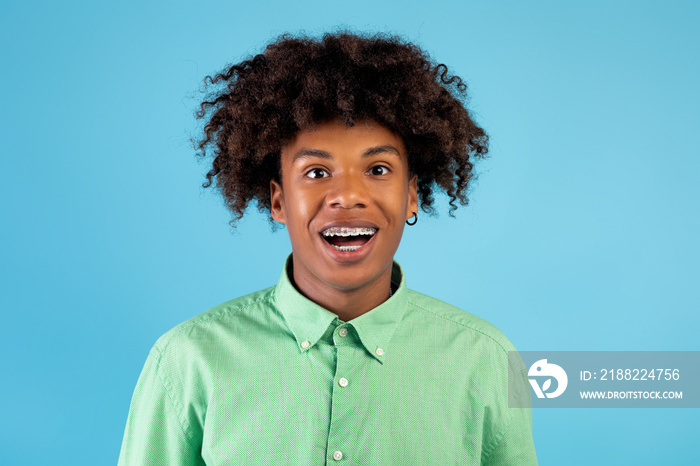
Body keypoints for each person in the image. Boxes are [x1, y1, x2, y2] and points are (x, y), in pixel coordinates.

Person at [118, 32, 537, 465]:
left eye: (377, 168)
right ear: (278, 200)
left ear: (411, 194)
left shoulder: (485, 360)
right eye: (317, 172)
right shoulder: (188, 362)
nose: (347, 195)